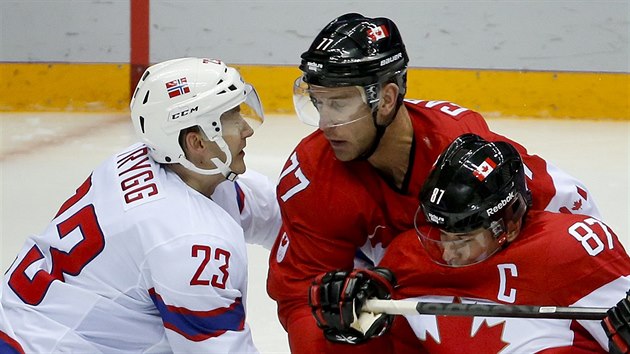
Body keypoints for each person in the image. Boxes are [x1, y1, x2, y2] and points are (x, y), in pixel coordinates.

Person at [267, 13, 604, 354]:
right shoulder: (313, 174)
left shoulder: (459, 146)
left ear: (385, 99)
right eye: (318, 103)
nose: (325, 123)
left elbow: (564, 220)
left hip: (481, 277)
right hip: (394, 288)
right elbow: (303, 296)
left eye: (338, 104)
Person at [0, 57, 280, 352]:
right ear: (197, 143)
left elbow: (278, 212)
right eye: (233, 115)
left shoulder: (152, 161)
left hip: (21, 324)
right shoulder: (188, 242)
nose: (247, 129)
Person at [309, 133, 630, 353]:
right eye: (439, 233)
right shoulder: (407, 256)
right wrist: (351, 321)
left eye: (463, 237)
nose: (446, 251)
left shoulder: (571, 248)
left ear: (510, 221)